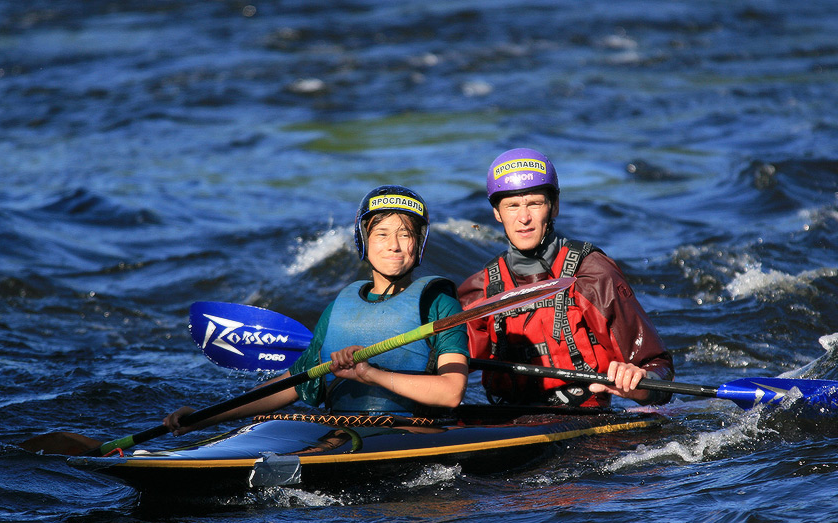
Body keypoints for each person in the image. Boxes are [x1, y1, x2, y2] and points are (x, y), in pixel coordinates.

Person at [165, 185, 469, 436]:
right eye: (382, 234)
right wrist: (205, 418)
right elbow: (289, 386)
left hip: (417, 434)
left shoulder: (439, 304)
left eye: (405, 235)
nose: (394, 245)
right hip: (345, 433)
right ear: (363, 240)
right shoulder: (339, 308)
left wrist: (370, 375)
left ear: (419, 243)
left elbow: (450, 392)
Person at [458, 148, 674, 408]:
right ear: (497, 213)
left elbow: (659, 370)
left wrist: (638, 382)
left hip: (584, 420)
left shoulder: (593, 275)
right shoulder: (481, 290)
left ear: (554, 206)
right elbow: (444, 366)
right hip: (507, 418)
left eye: (534, 203)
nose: (523, 218)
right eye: (512, 206)